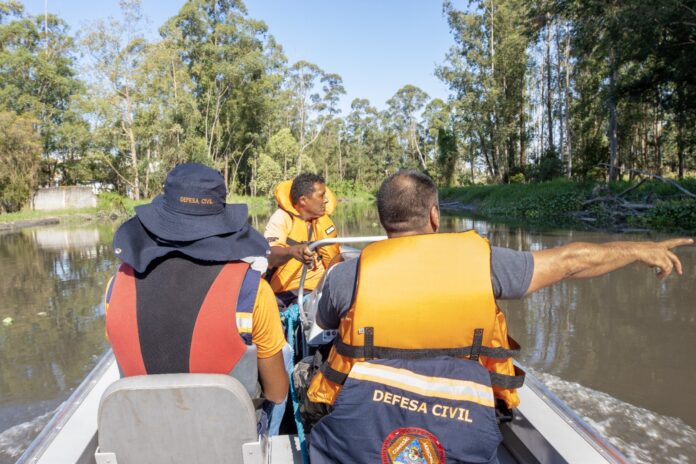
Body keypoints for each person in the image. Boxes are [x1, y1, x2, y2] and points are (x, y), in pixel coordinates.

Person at [302, 169, 692, 463]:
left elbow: (326, 322)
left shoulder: (346, 275)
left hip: (364, 426)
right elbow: (572, 261)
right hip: (467, 426)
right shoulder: (485, 263)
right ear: (434, 216)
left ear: (385, 220)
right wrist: (640, 249)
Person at [104, 163, 288, 433]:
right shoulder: (253, 291)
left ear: (159, 221)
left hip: (145, 436)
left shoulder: (116, 286)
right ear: (224, 226)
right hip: (227, 441)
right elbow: (277, 393)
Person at [264, 173, 340, 307]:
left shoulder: (322, 221)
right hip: (289, 293)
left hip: (322, 290)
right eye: (321, 195)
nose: (326, 200)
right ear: (303, 200)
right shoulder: (282, 218)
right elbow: (271, 255)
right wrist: (292, 251)